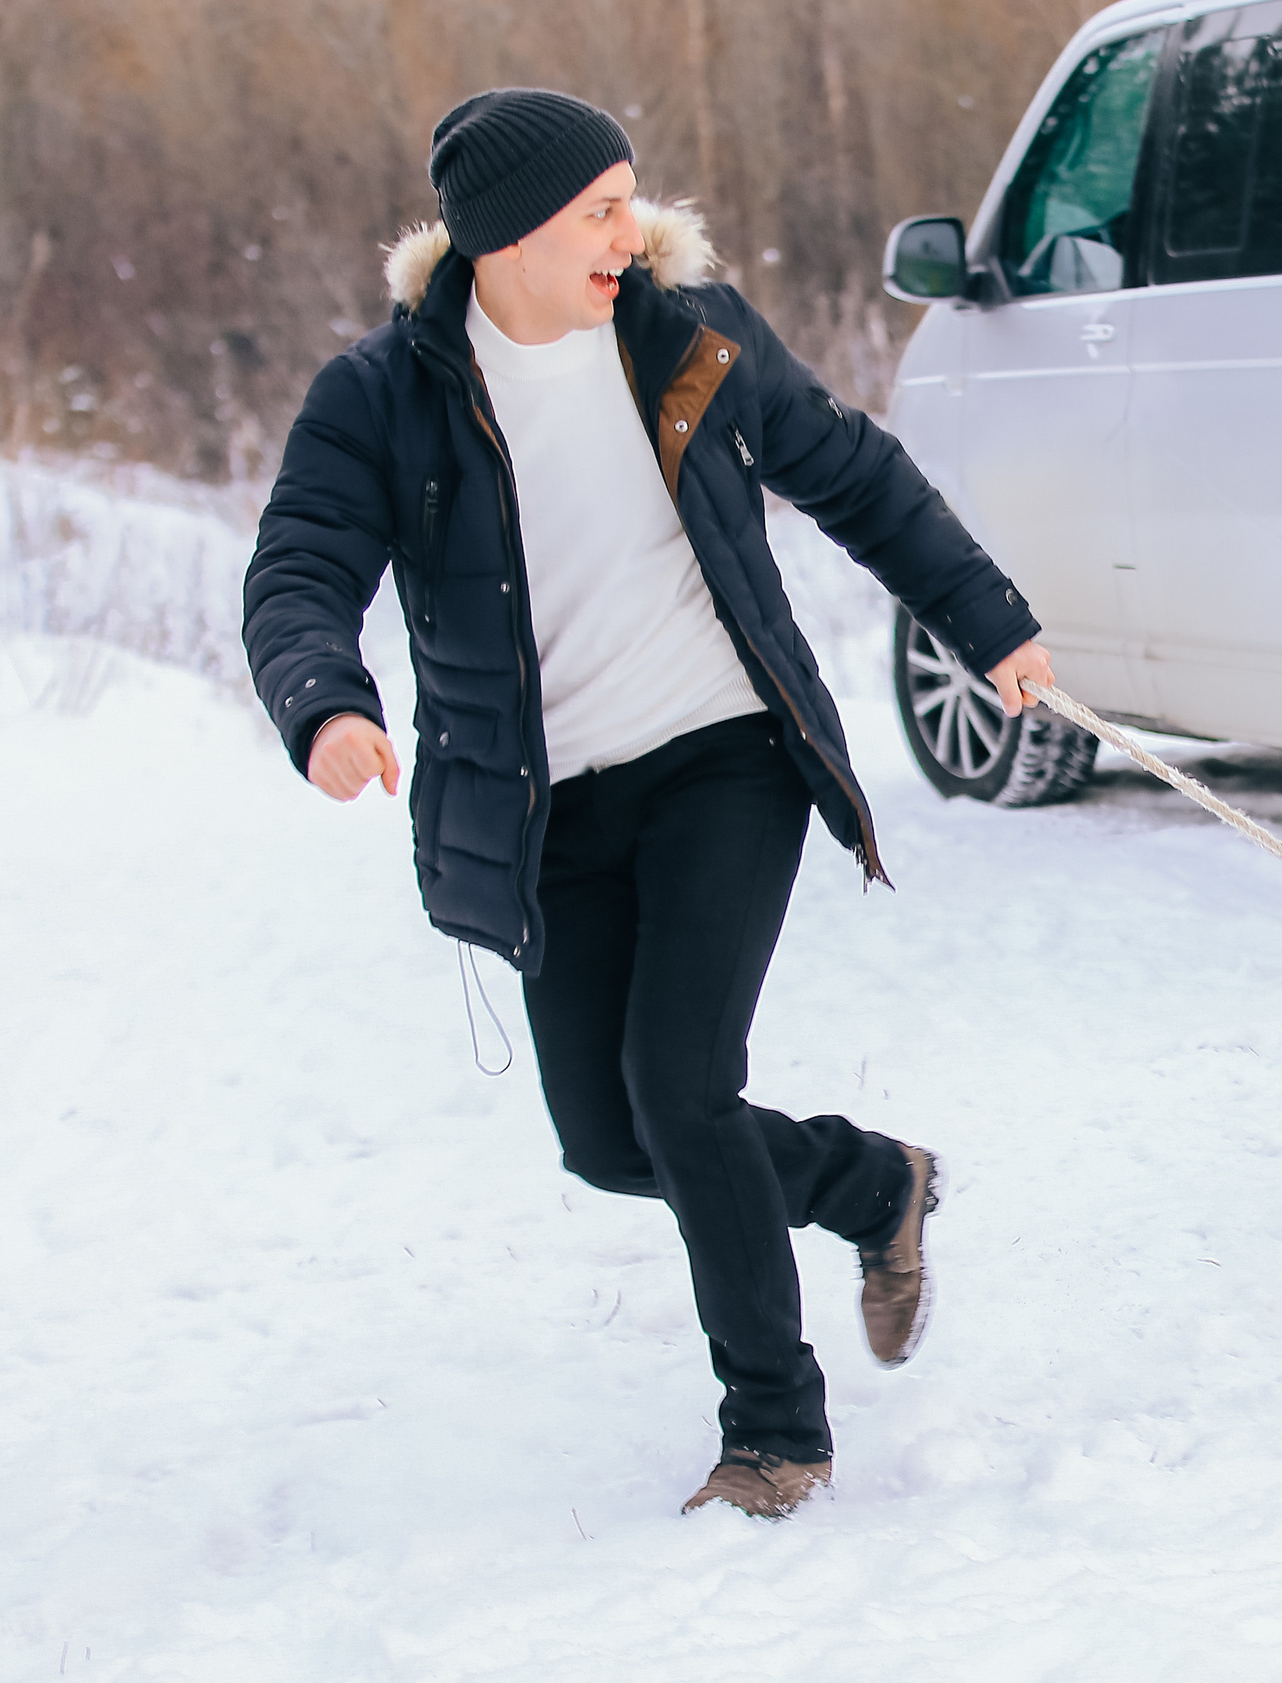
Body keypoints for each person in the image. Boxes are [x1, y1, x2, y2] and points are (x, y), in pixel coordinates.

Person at [242, 89, 1055, 1516]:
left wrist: (986, 618)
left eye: (628, 198)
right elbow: (300, 567)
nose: (631, 230)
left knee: (682, 1087)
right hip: (550, 806)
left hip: (726, 757)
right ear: (503, 237)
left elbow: (853, 472)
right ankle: (874, 1187)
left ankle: (775, 1434)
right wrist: (328, 699)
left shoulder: (689, 335)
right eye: (597, 210)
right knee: (613, 1140)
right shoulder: (383, 397)